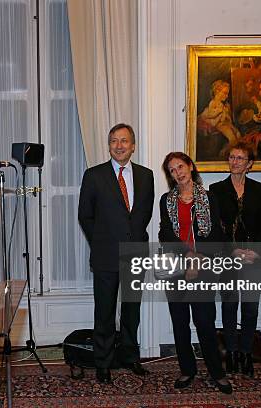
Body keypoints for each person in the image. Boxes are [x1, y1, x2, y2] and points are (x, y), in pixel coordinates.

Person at [78, 123, 154, 384]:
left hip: (136, 254)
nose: (119, 145)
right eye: (114, 141)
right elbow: (85, 216)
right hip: (105, 255)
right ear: (108, 145)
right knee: (105, 312)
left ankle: (130, 357)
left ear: (133, 146)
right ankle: (103, 362)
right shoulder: (94, 175)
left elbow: (144, 214)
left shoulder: (147, 175)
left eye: (124, 141)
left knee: (131, 310)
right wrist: (100, 241)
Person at [158, 152, 232, 394]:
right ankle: (187, 369)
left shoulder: (209, 198)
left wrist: (199, 259)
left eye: (180, 166)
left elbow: (217, 237)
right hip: (176, 268)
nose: (178, 172)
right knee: (180, 323)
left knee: (204, 322)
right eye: (172, 170)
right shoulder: (166, 201)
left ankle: (216, 372)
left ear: (190, 166)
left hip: (204, 268)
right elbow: (166, 235)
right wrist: (188, 257)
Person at [209, 142, 261, 377]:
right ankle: (232, 353)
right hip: (228, 257)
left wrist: (256, 251)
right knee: (229, 305)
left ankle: (246, 353)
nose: (235, 162)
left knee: (250, 308)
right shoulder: (215, 189)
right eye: (232, 157)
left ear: (250, 164)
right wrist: (233, 251)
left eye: (240, 158)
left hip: (254, 257)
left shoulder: (258, 188)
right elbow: (216, 228)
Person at [197, 79, 241, 146]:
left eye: (227, 94)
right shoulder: (213, 102)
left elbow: (227, 118)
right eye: (225, 93)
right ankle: (226, 151)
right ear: (217, 91)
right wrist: (219, 112)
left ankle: (230, 149)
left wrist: (226, 113)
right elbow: (210, 115)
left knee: (238, 134)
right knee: (232, 138)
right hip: (217, 123)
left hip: (224, 122)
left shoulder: (223, 105)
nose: (226, 96)